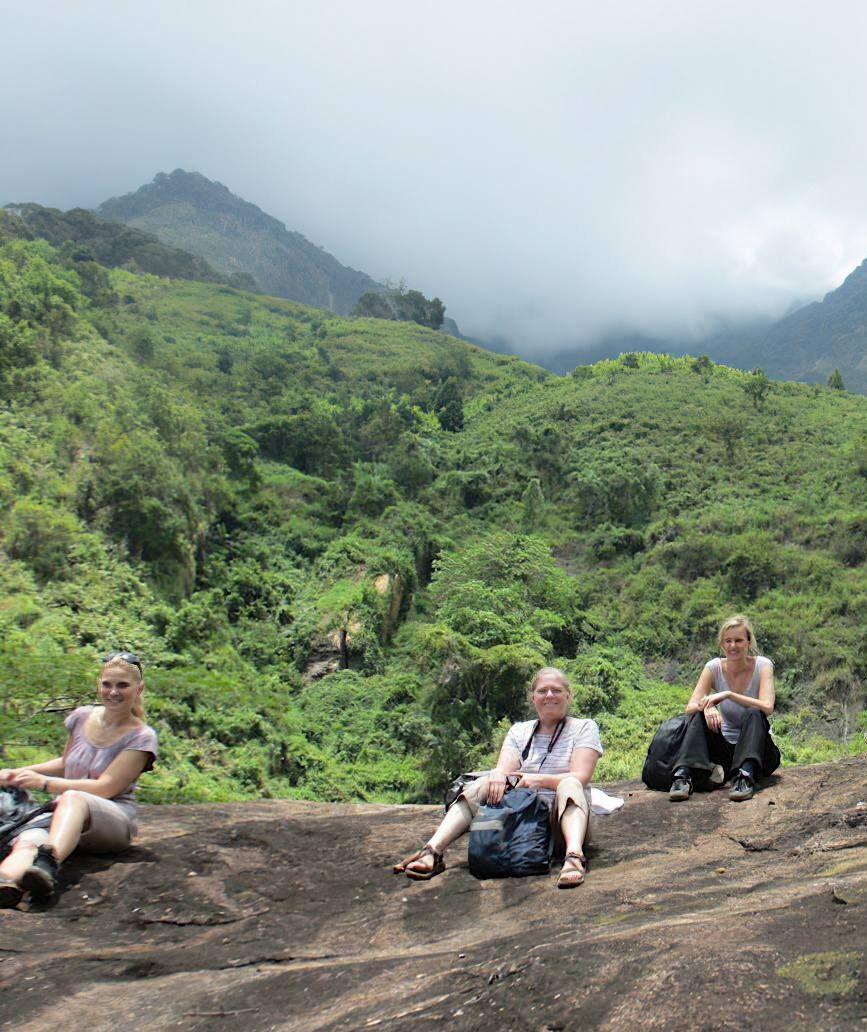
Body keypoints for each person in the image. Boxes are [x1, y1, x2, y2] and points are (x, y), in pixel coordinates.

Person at [394, 667, 603, 888]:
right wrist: (497, 775)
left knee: (570, 783)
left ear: (568, 695)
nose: (549, 695)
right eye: (542, 691)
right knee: (484, 783)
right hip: (521, 821)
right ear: (532, 697)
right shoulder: (519, 731)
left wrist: (536, 780)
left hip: (560, 823)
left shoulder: (584, 727)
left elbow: (581, 776)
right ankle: (432, 852)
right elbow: (504, 770)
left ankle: (573, 857)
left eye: (556, 690)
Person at [0, 652, 158, 907]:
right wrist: (18, 773)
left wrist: (44, 783)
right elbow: (66, 763)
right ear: (98, 685)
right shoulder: (82, 716)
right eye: (107, 684)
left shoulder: (142, 736)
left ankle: (48, 862)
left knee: (73, 798)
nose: (113, 692)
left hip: (111, 819)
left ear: (139, 688)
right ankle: (7, 883)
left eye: (122, 685)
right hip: (65, 816)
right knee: (29, 840)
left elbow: (106, 788)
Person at [668, 615, 780, 803]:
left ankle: (745, 776)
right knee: (697, 714)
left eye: (738, 640)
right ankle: (682, 776)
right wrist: (707, 707)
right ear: (722, 644)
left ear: (748, 642)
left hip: (758, 750)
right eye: (728, 641)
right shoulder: (713, 667)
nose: (733, 646)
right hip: (725, 751)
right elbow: (690, 707)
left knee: (755, 712)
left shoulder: (763, 665)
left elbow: (767, 707)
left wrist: (728, 694)